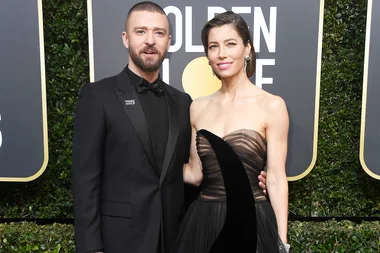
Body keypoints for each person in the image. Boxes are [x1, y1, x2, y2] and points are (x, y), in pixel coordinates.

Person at [172, 11, 290, 253]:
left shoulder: (272, 105)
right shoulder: (198, 107)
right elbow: (195, 174)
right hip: (203, 222)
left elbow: (277, 178)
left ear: (247, 49)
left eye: (231, 44)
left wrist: (282, 242)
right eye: (213, 46)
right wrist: (148, 165)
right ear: (207, 55)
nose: (221, 53)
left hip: (253, 221)